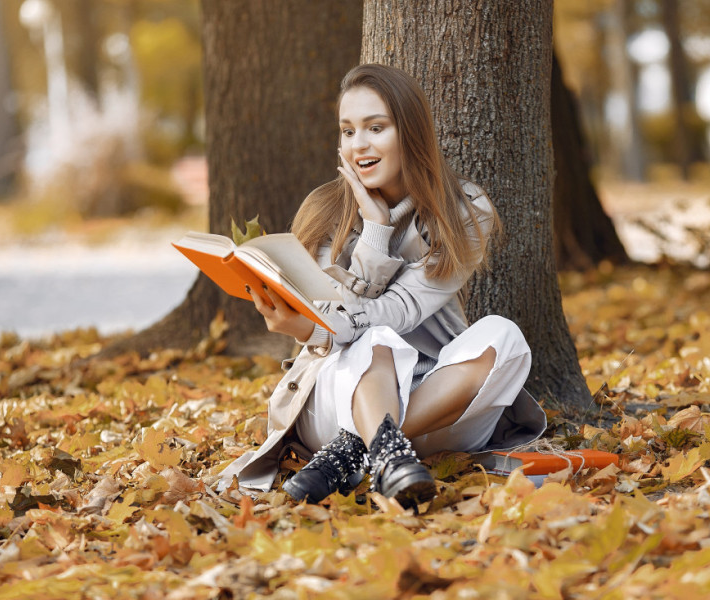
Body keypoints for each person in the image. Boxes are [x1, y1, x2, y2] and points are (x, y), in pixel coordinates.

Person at [216, 64, 546, 508]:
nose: (359, 145)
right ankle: (378, 447)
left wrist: (375, 239)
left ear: (410, 133)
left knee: (504, 335)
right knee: (375, 339)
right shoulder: (325, 212)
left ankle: (360, 450)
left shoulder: (463, 209)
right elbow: (338, 322)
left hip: (441, 405)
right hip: (337, 397)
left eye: (376, 127)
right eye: (348, 131)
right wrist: (373, 230)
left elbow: (403, 308)